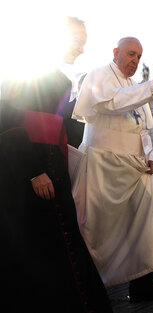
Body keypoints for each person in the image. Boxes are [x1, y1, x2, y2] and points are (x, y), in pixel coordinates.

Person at [0, 16, 112, 312]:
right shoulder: (22, 72)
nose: (81, 49)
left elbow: (63, 126)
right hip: (25, 177)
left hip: (54, 171)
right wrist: (33, 171)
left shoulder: (62, 80)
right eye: (77, 41)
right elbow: (8, 124)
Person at [72, 37, 153, 302]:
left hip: (133, 168)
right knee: (100, 229)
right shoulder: (100, 75)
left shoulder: (133, 86)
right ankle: (88, 286)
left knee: (145, 223)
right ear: (115, 52)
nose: (135, 61)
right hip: (104, 168)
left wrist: (148, 155)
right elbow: (113, 104)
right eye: (130, 54)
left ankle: (143, 286)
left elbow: (140, 128)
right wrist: (152, 85)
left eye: (139, 57)